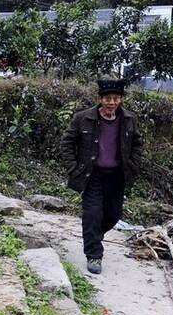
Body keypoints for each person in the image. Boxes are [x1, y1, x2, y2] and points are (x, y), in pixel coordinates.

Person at [60, 76, 143, 275]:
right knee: (92, 214)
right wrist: (73, 167)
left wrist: (133, 164)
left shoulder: (129, 119)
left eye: (116, 98)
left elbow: (137, 144)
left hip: (117, 176)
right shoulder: (83, 118)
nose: (111, 103)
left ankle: (94, 236)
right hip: (92, 175)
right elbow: (67, 143)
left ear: (121, 100)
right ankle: (94, 255)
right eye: (107, 98)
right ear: (100, 99)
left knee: (113, 215)